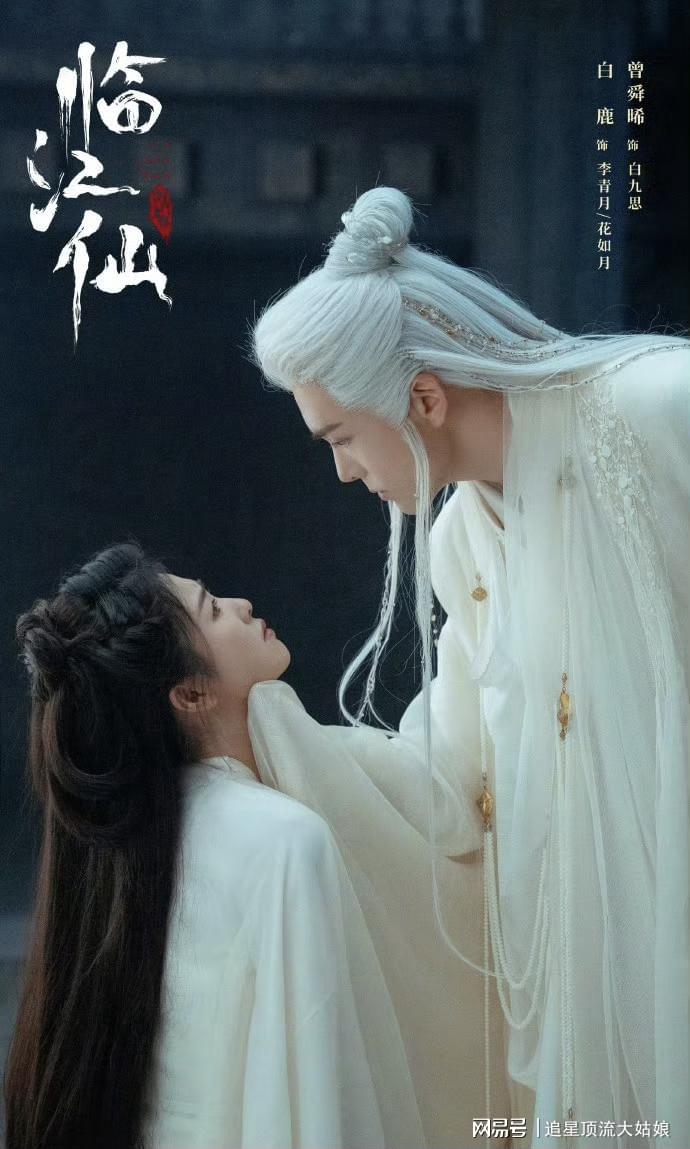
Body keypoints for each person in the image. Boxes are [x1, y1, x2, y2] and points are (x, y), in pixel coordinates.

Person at [251, 185, 690, 1148]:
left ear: (424, 397)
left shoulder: (659, 408)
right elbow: (454, 782)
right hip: (596, 979)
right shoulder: (464, 543)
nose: (343, 472)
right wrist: (263, 736)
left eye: (340, 438)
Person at [4, 540, 511, 1149]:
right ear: (191, 694)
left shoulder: (151, 840)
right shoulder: (283, 839)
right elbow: (319, 1101)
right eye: (214, 609)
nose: (242, 604)